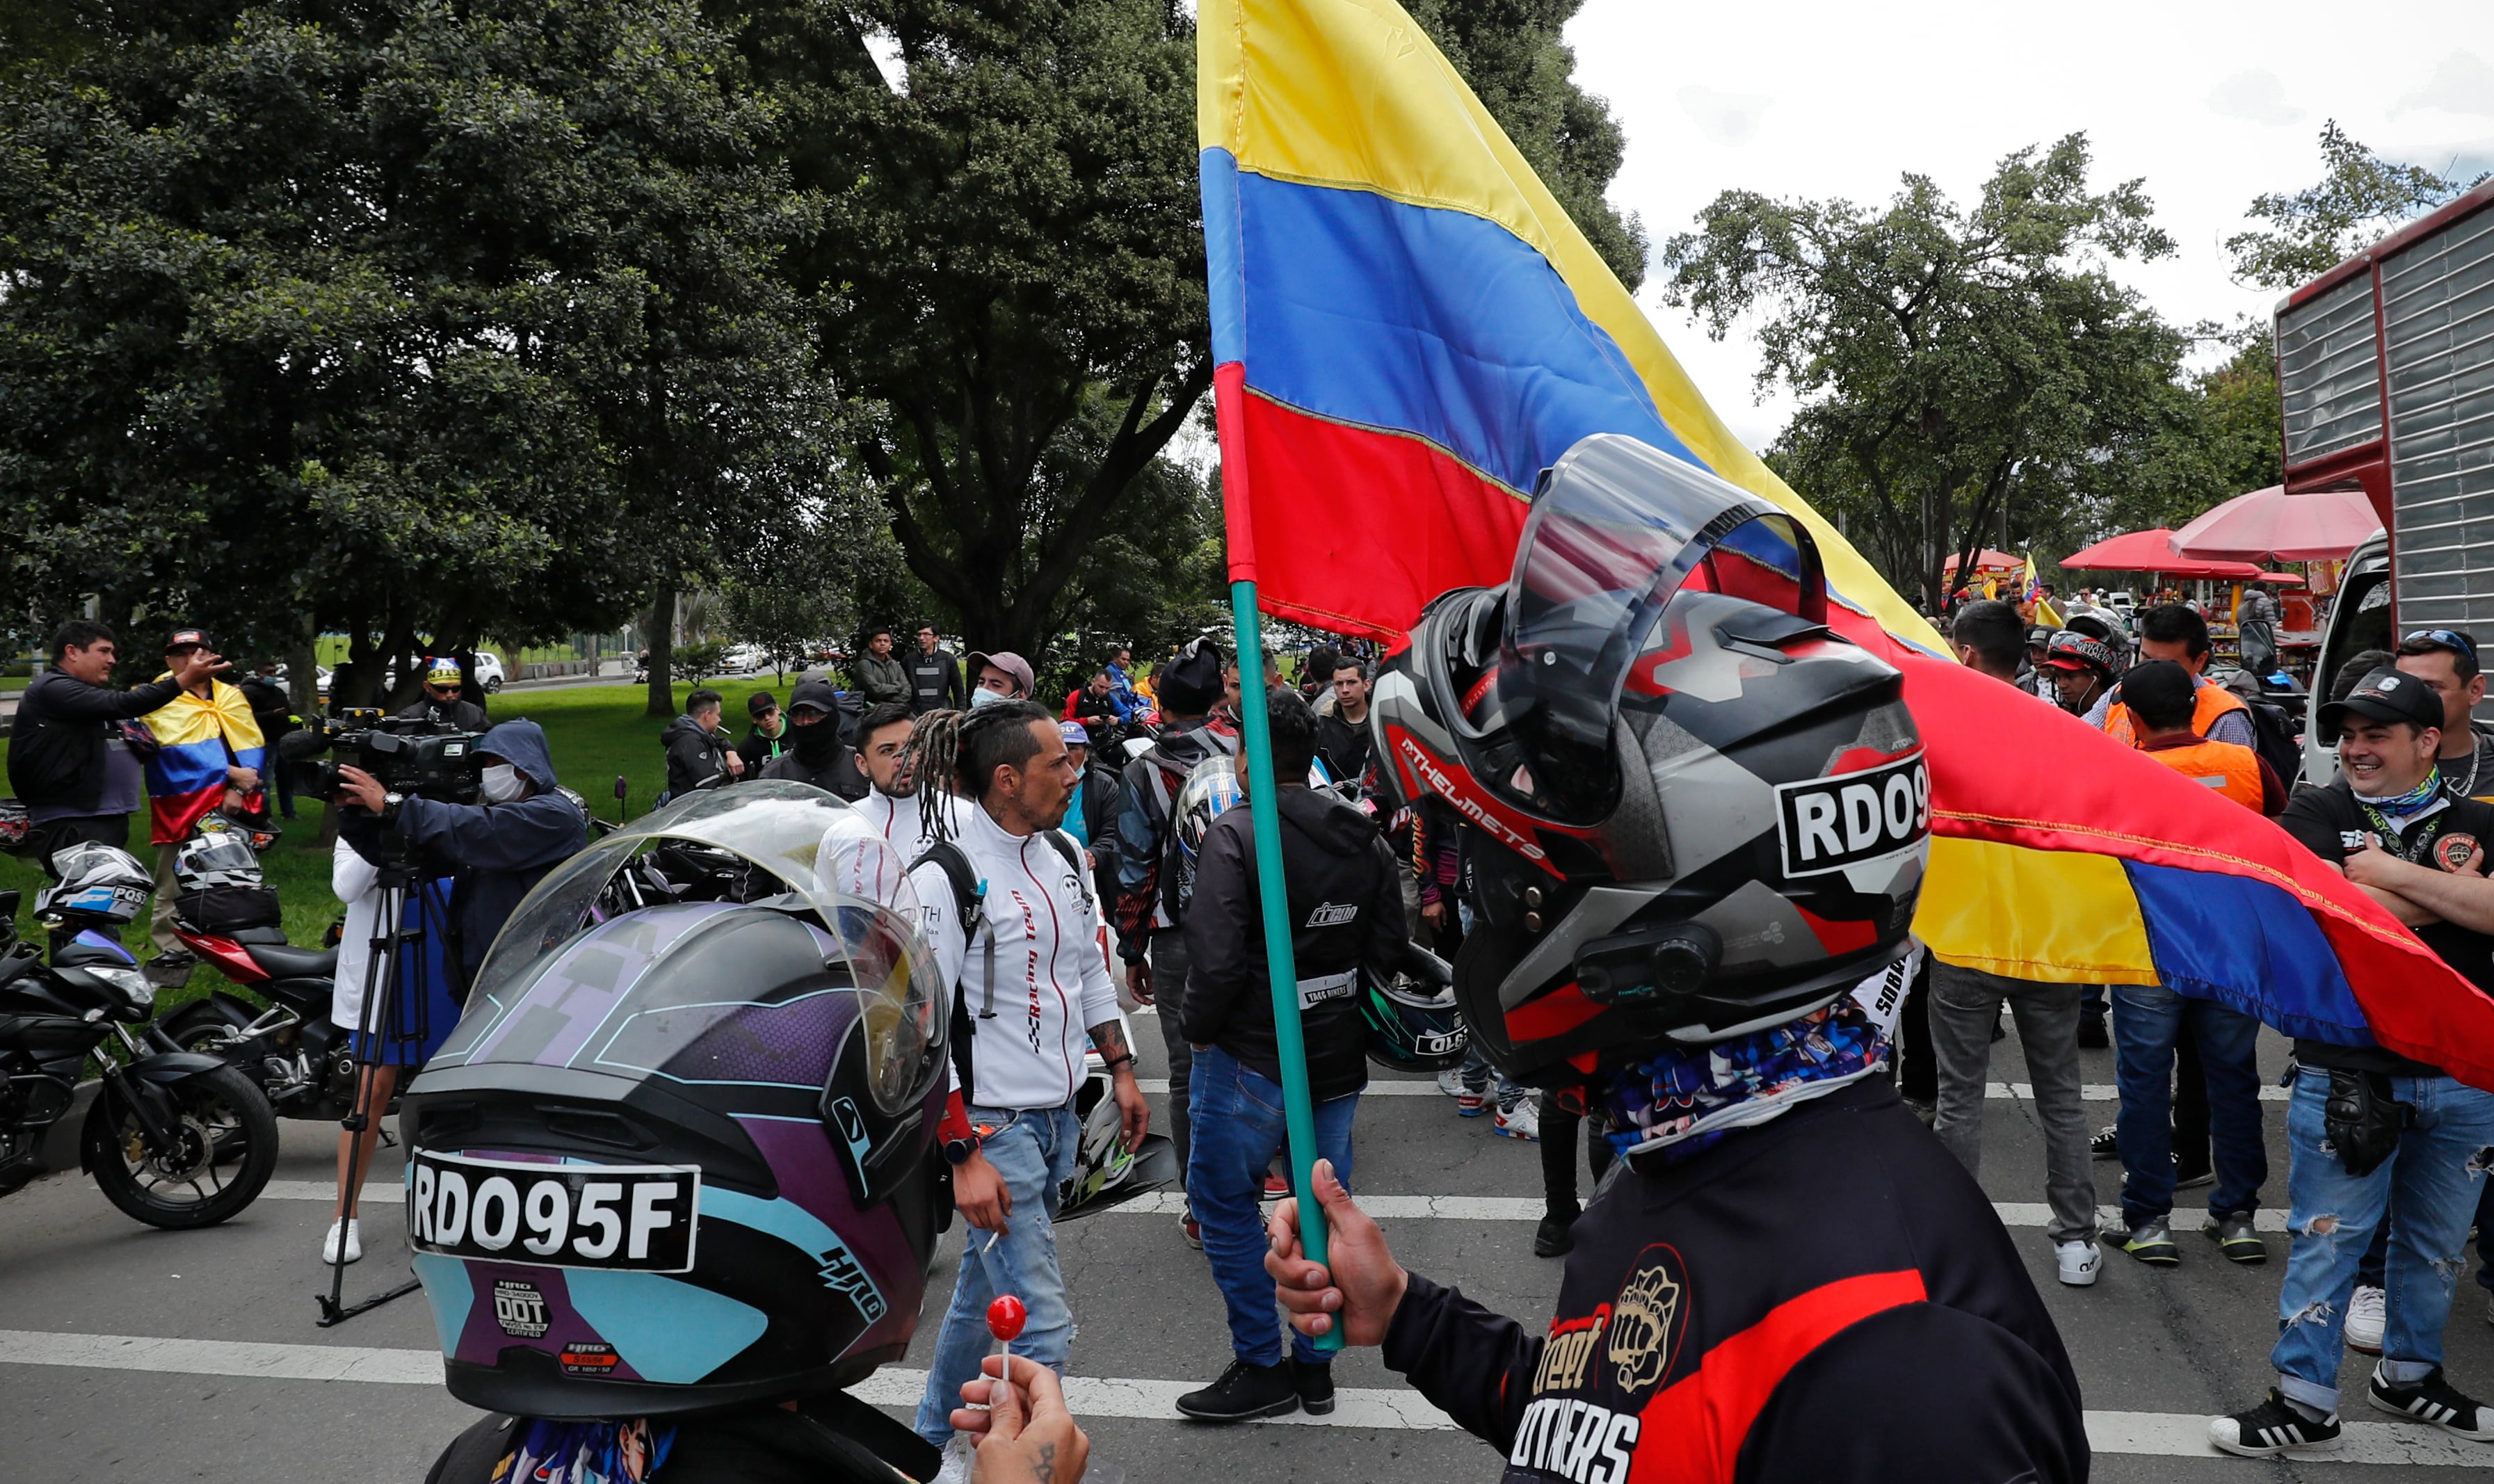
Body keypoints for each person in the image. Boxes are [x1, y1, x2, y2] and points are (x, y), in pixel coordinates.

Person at [2212, 666, 2494, 1455]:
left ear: (2426, 740)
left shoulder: (2479, 817)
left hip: (2463, 1073)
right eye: (2347, 733)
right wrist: (2446, 893)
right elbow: (2323, 916)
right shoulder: (2313, 810)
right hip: (2345, 1070)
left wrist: (2380, 876)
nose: (2355, 748)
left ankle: (2409, 1377)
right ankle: (2303, 1400)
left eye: (2376, 733)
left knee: (2437, 1247)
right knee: (2327, 1240)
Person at [903, 700, 1147, 1478]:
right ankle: (1032, 1465)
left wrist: (1123, 1069)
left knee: (981, 1294)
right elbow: (921, 1023)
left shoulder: (1066, 853)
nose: (1076, 775)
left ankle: (928, 1448)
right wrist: (960, 1150)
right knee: (1042, 1326)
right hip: (990, 1127)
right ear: (1007, 779)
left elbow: (1085, 970)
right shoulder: (945, 876)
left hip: (1058, 1120)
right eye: (1058, 764)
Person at [1175, 688, 1410, 1421]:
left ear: (1246, 758)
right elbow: (1389, 950)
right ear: (1306, 756)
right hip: (1335, 1054)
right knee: (1319, 1208)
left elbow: (1210, 966)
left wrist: (1198, 1031)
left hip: (1251, 1053)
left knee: (1222, 1202)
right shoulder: (1359, 833)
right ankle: (1316, 1364)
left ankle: (1261, 1361)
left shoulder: (1237, 833)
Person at [326, 719, 583, 1264]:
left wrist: (395, 802)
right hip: (481, 987)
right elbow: (411, 849)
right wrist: (353, 807)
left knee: (524, 1109)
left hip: (531, 987)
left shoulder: (554, 814)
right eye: (483, 766)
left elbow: (476, 832)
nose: (488, 776)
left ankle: (536, 1221)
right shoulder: (488, 820)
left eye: (497, 766)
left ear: (527, 767)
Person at [1926, 602, 2103, 1287]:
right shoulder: (2063, 731)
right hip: (2048, 938)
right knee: (2060, 1092)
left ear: (1967, 655)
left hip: (1966, 936)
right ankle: (2076, 1239)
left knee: (1959, 1097)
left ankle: (1953, 1237)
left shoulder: (1941, 735)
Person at [1112, 638, 1237, 1245]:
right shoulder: (1244, 754)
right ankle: (1255, 1181)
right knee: (1255, 1056)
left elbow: (1134, 869)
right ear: (1217, 698)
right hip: (1249, 930)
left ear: (1160, 703)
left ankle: (1199, 1203)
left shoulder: (1143, 772)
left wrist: (1133, 949)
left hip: (1178, 939)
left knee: (1189, 1072)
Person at [6, 621, 211, 896]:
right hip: (73, 818)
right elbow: (122, 703)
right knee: (85, 902)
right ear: (72, 652)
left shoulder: (83, 696)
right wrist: (183, 680)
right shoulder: (53, 688)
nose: (112, 660)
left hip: (103, 815)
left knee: (106, 901)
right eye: (104, 651)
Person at [138, 628, 268, 985]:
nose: (189, 658)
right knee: (173, 879)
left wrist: (239, 789)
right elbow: (170, 751)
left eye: (197, 651)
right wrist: (230, 774)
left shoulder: (231, 696)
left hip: (232, 800)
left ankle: (230, 944)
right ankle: (171, 951)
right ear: (169, 660)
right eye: (180, 653)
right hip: (182, 802)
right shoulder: (155, 696)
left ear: (211, 656)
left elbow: (251, 744)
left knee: (236, 876)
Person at [2124, 660, 2286, 816]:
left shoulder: (2123, 775)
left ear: (2133, 718)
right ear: (2195, 706)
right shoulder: (2251, 764)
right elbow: (2281, 831)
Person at [2091, 605, 2254, 748]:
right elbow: (2081, 737)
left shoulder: (2225, 719)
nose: (2152, 672)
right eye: (2147, 659)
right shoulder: (2118, 695)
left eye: (2168, 665)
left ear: (2200, 661)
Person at [2394, 628, 2494, 805]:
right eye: (2403, 687)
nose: (2411, 699)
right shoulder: (2375, 759)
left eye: (2429, 687)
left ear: (2475, 690)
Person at [854, 702, 951, 848]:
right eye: (888, 750)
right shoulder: (846, 825)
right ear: (862, 764)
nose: (904, 760)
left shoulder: (964, 817)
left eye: (912, 747)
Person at [757, 679, 869, 800]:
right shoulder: (774, 775)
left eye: (814, 714)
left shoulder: (863, 766)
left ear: (833, 717)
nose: (806, 722)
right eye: (798, 715)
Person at [1056, 722, 1121, 915]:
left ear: (1087, 753)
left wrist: (1094, 854)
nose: (1067, 754)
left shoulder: (1105, 786)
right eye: (1062, 747)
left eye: (1074, 748)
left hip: (1092, 878)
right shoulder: (1039, 784)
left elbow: (1114, 833)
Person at [237, 662, 300, 820]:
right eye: (268, 672)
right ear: (258, 674)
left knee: (286, 780)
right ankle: (265, 815)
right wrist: (272, 714)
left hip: (283, 741)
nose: (273, 675)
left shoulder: (277, 691)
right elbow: (246, 718)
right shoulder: (249, 692)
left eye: (274, 672)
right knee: (265, 781)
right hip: (264, 742)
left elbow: (289, 712)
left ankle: (289, 813)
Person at [659, 687, 743, 800]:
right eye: (718, 715)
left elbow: (719, 740)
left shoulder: (697, 734)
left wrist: (731, 752)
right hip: (693, 808)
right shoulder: (691, 742)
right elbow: (709, 786)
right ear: (707, 715)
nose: (720, 720)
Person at [1314, 656, 1375, 787]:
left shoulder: (1381, 722)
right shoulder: (1323, 724)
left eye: (1352, 682)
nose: (1345, 690)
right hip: (1334, 801)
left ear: (1366, 685)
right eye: (1339, 684)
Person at [2038, 629, 2118, 717]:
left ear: (2096, 677)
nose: (2062, 685)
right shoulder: (2061, 713)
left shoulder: (2118, 715)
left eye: (2070, 677)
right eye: (2057, 677)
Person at [399, 656, 489, 729]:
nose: (450, 695)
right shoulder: (409, 718)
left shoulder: (475, 714)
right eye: (442, 689)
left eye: (456, 689)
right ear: (427, 687)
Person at [910, 622, 967, 713]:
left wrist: (961, 713)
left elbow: (958, 690)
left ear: (936, 638)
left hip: (942, 712)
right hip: (916, 714)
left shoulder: (948, 659)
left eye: (926, 634)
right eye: (919, 634)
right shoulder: (909, 660)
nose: (921, 638)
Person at [855, 625, 912, 709]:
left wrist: (887, 701)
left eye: (886, 641)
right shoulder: (864, 664)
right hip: (872, 712)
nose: (882, 644)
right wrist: (898, 687)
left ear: (890, 644)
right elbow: (876, 690)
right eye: (878, 641)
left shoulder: (895, 665)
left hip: (896, 711)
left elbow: (907, 692)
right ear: (871, 645)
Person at [737, 690, 788, 773]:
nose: (767, 718)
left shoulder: (797, 733)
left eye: (770, 712)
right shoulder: (747, 747)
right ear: (754, 719)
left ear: (778, 710)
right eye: (760, 715)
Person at [2238, 581, 2280, 676]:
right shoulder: (2265, 602)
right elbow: (2271, 623)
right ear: (2265, 590)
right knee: (2263, 665)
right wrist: (2273, 641)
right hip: (2262, 640)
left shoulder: (2244, 602)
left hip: (2246, 639)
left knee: (2250, 664)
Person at [1063, 670, 1119, 740]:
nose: (1104, 691)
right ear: (1093, 682)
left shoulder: (1110, 697)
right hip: (1078, 738)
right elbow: (1064, 723)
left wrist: (1118, 719)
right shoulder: (1076, 696)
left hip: (1102, 738)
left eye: (1107, 688)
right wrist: (1086, 721)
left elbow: (1127, 713)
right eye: (1101, 687)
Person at [967, 650, 1036, 705]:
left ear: (1020, 696)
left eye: (996, 685)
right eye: (981, 682)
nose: (984, 689)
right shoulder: (969, 721)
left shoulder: (1033, 722)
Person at [1104, 645, 1143, 721]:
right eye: (1123, 659)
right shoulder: (1111, 671)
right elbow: (1118, 693)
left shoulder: (1120, 671)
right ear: (1115, 659)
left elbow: (1127, 689)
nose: (1126, 662)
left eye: (1128, 660)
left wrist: (1131, 682)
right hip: (1121, 708)